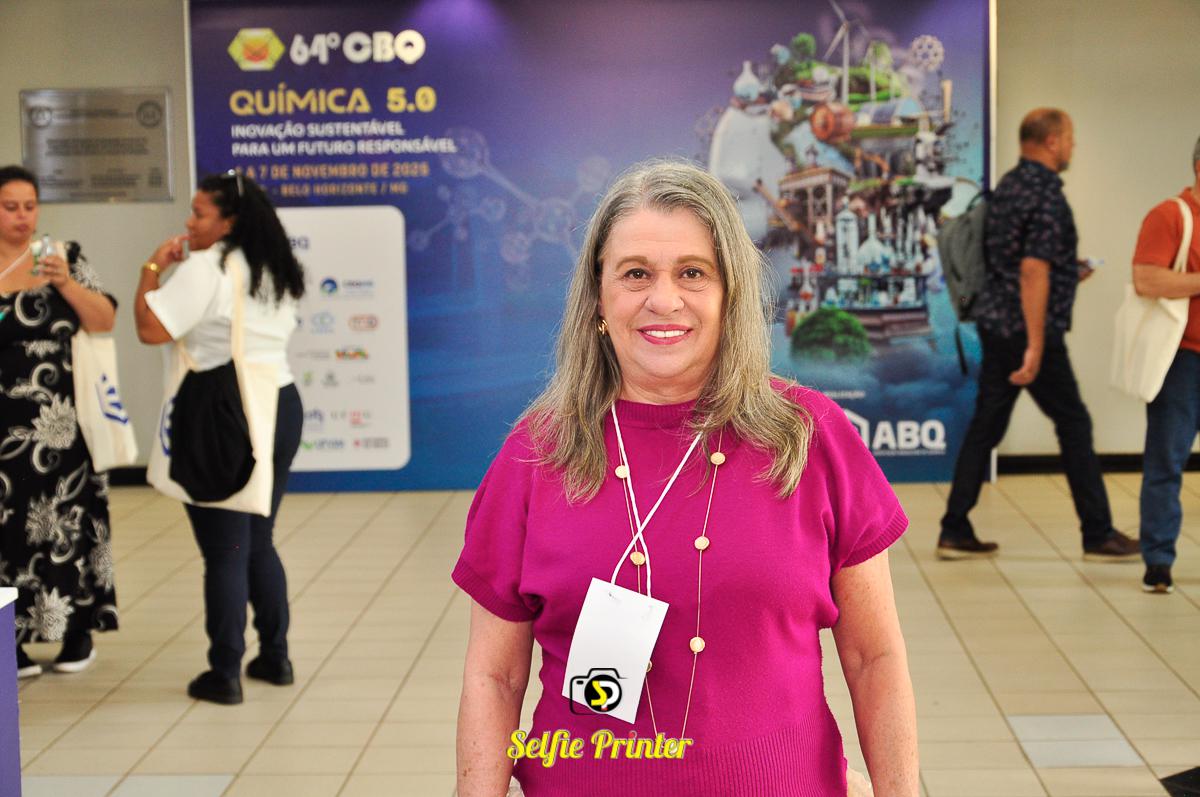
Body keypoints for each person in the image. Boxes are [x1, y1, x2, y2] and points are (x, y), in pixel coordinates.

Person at [453, 160, 917, 797]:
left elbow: (873, 658)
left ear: (730, 296)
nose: (664, 300)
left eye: (693, 273)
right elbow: (494, 678)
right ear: (597, 299)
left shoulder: (811, 438)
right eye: (636, 273)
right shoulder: (535, 455)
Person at [938, 108, 1139, 562]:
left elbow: (1016, 264)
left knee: (987, 424)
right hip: (1028, 331)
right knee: (1074, 423)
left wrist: (1068, 271)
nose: (1072, 147)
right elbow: (1031, 271)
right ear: (1051, 141)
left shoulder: (1008, 186)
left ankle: (954, 526)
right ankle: (1098, 533)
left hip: (995, 324)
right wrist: (1034, 344)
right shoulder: (1046, 193)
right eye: (1069, 138)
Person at [134, 171, 304, 704]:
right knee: (258, 538)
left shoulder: (205, 267)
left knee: (225, 548)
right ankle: (275, 657)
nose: (189, 222)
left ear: (228, 221)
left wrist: (152, 268)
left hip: (225, 411)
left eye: (200, 213)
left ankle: (224, 672)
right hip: (280, 403)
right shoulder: (273, 264)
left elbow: (149, 328)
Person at [0, 165, 119, 678]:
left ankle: (77, 632)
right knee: (9, 532)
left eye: (30, 206)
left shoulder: (64, 256)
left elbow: (104, 319)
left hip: (64, 425)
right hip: (5, 432)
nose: (22, 217)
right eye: (10, 207)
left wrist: (65, 283)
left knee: (67, 524)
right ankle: (13, 640)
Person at [1128, 136, 1200, 594]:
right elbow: (1146, 278)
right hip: (1183, 360)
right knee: (1166, 462)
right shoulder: (1171, 216)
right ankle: (1158, 561)